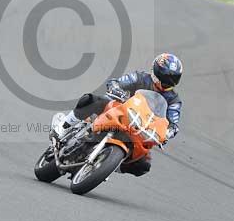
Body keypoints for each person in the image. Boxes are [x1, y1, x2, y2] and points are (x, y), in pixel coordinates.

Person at [54, 53, 184, 176]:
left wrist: (168, 133)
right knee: (91, 100)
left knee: (143, 165)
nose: (169, 84)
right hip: (121, 110)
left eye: (174, 80)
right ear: (156, 74)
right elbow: (117, 82)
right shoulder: (140, 77)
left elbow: (174, 124)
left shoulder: (173, 100)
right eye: (167, 80)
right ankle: (64, 126)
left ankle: (106, 165)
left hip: (141, 129)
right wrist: (116, 88)